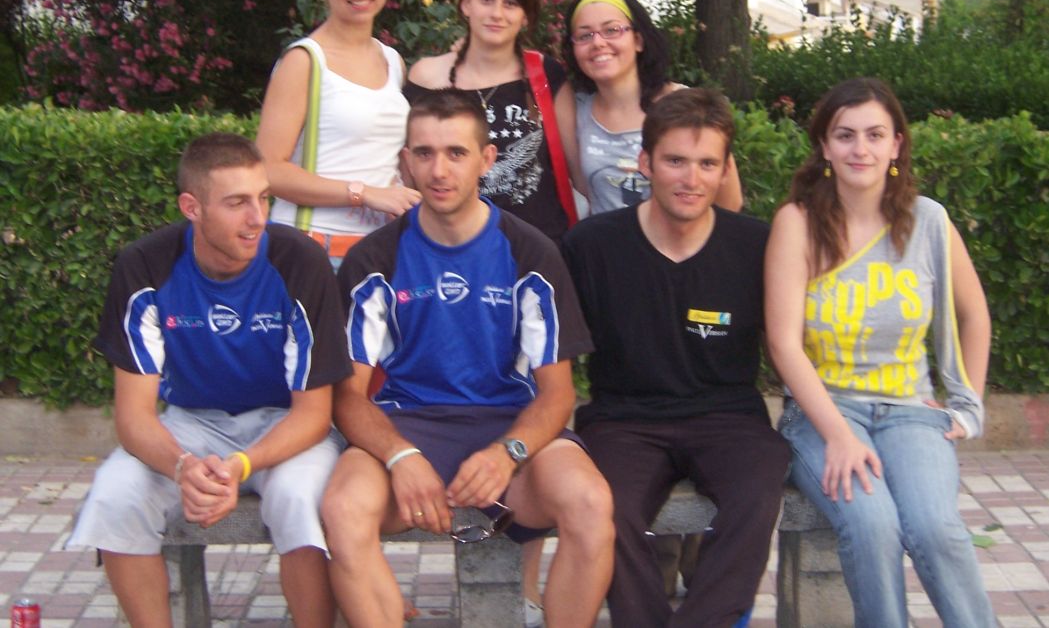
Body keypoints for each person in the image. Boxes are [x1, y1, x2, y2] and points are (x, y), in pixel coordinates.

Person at [321, 89, 615, 628]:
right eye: (424, 153)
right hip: (408, 427)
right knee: (342, 509)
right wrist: (400, 457)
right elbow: (348, 397)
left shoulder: (531, 252)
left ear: (486, 159)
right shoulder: (374, 258)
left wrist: (508, 452)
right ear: (405, 162)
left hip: (511, 428)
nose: (439, 170)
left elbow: (558, 394)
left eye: (456, 152)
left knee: (591, 503)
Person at [66, 133, 351, 628]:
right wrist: (183, 468)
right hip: (191, 422)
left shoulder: (298, 260)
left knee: (297, 498)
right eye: (237, 203)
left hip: (286, 424)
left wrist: (239, 467)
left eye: (264, 198)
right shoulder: (145, 265)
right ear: (191, 207)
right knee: (115, 493)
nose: (257, 218)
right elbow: (133, 417)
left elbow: (314, 414)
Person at [764, 77, 995, 628]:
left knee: (936, 528)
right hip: (824, 411)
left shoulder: (929, 221)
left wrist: (968, 406)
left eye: (874, 135)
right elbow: (783, 343)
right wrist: (839, 436)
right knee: (872, 524)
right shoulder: (797, 222)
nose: (860, 149)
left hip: (910, 410)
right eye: (845, 135)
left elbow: (974, 316)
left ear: (896, 145)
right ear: (824, 146)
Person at [563, 88, 791, 628]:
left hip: (728, 417)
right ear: (645, 163)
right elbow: (550, 353)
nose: (691, 179)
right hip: (624, 420)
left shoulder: (755, 246)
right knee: (606, 507)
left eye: (707, 163)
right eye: (675, 161)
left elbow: (792, 344)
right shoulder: (591, 246)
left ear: (725, 170)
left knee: (759, 488)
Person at [257, 0, 420, 269]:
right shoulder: (305, 60)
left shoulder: (393, 61)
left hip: (383, 249)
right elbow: (267, 169)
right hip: (313, 247)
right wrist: (364, 194)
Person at [406, 0, 579, 247]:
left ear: (526, 16)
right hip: (453, 248)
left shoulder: (546, 75)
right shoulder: (428, 77)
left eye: (511, 3)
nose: (497, 13)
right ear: (466, 4)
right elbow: (410, 172)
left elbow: (578, 169)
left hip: (538, 249)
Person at [563, 0, 743, 214]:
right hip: (605, 236)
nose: (598, 43)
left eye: (612, 30)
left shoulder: (687, 106)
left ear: (638, 40)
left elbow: (729, 202)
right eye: (584, 36)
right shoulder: (573, 112)